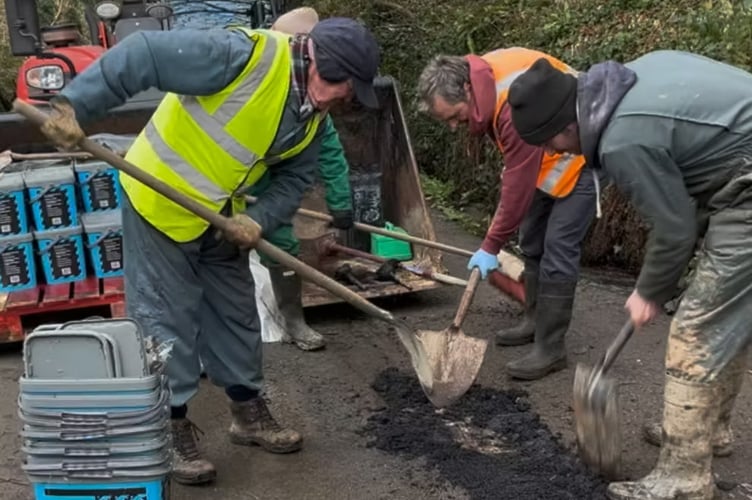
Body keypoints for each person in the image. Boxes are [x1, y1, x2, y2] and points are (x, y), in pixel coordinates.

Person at [39, 17, 379, 485]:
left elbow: (295, 180)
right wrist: (75, 106)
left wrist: (257, 221)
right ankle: (168, 426)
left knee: (237, 314)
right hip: (159, 203)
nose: (345, 96)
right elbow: (144, 53)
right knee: (166, 319)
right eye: (342, 84)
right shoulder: (245, 57)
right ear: (317, 60)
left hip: (222, 217)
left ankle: (247, 412)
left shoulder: (312, 118)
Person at [508, 51, 752, 500]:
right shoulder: (633, 78)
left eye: (549, 143)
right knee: (727, 319)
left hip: (747, 185)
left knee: (698, 327)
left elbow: (675, 227)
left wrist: (648, 292)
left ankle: (684, 477)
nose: (551, 153)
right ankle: (706, 431)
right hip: (736, 179)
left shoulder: (623, 140)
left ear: (567, 126)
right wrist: (664, 275)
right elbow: (692, 186)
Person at [417, 49, 597, 381]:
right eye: (448, 122)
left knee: (558, 245)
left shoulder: (513, 104)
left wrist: (490, 245)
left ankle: (551, 348)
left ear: (467, 91)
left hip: (581, 155)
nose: (456, 127)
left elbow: (518, 182)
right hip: (547, 161)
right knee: (532, 239)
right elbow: (519, 172)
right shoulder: (483, 79)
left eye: (455, 116)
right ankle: (535, 319)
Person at [251, 7, 354, 351]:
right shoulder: (249, 82)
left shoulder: (314, 104)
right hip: (222, 177)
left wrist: (341, 206)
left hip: (269, 184)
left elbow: (330, 153)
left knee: (283, 247)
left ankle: (293, 320)